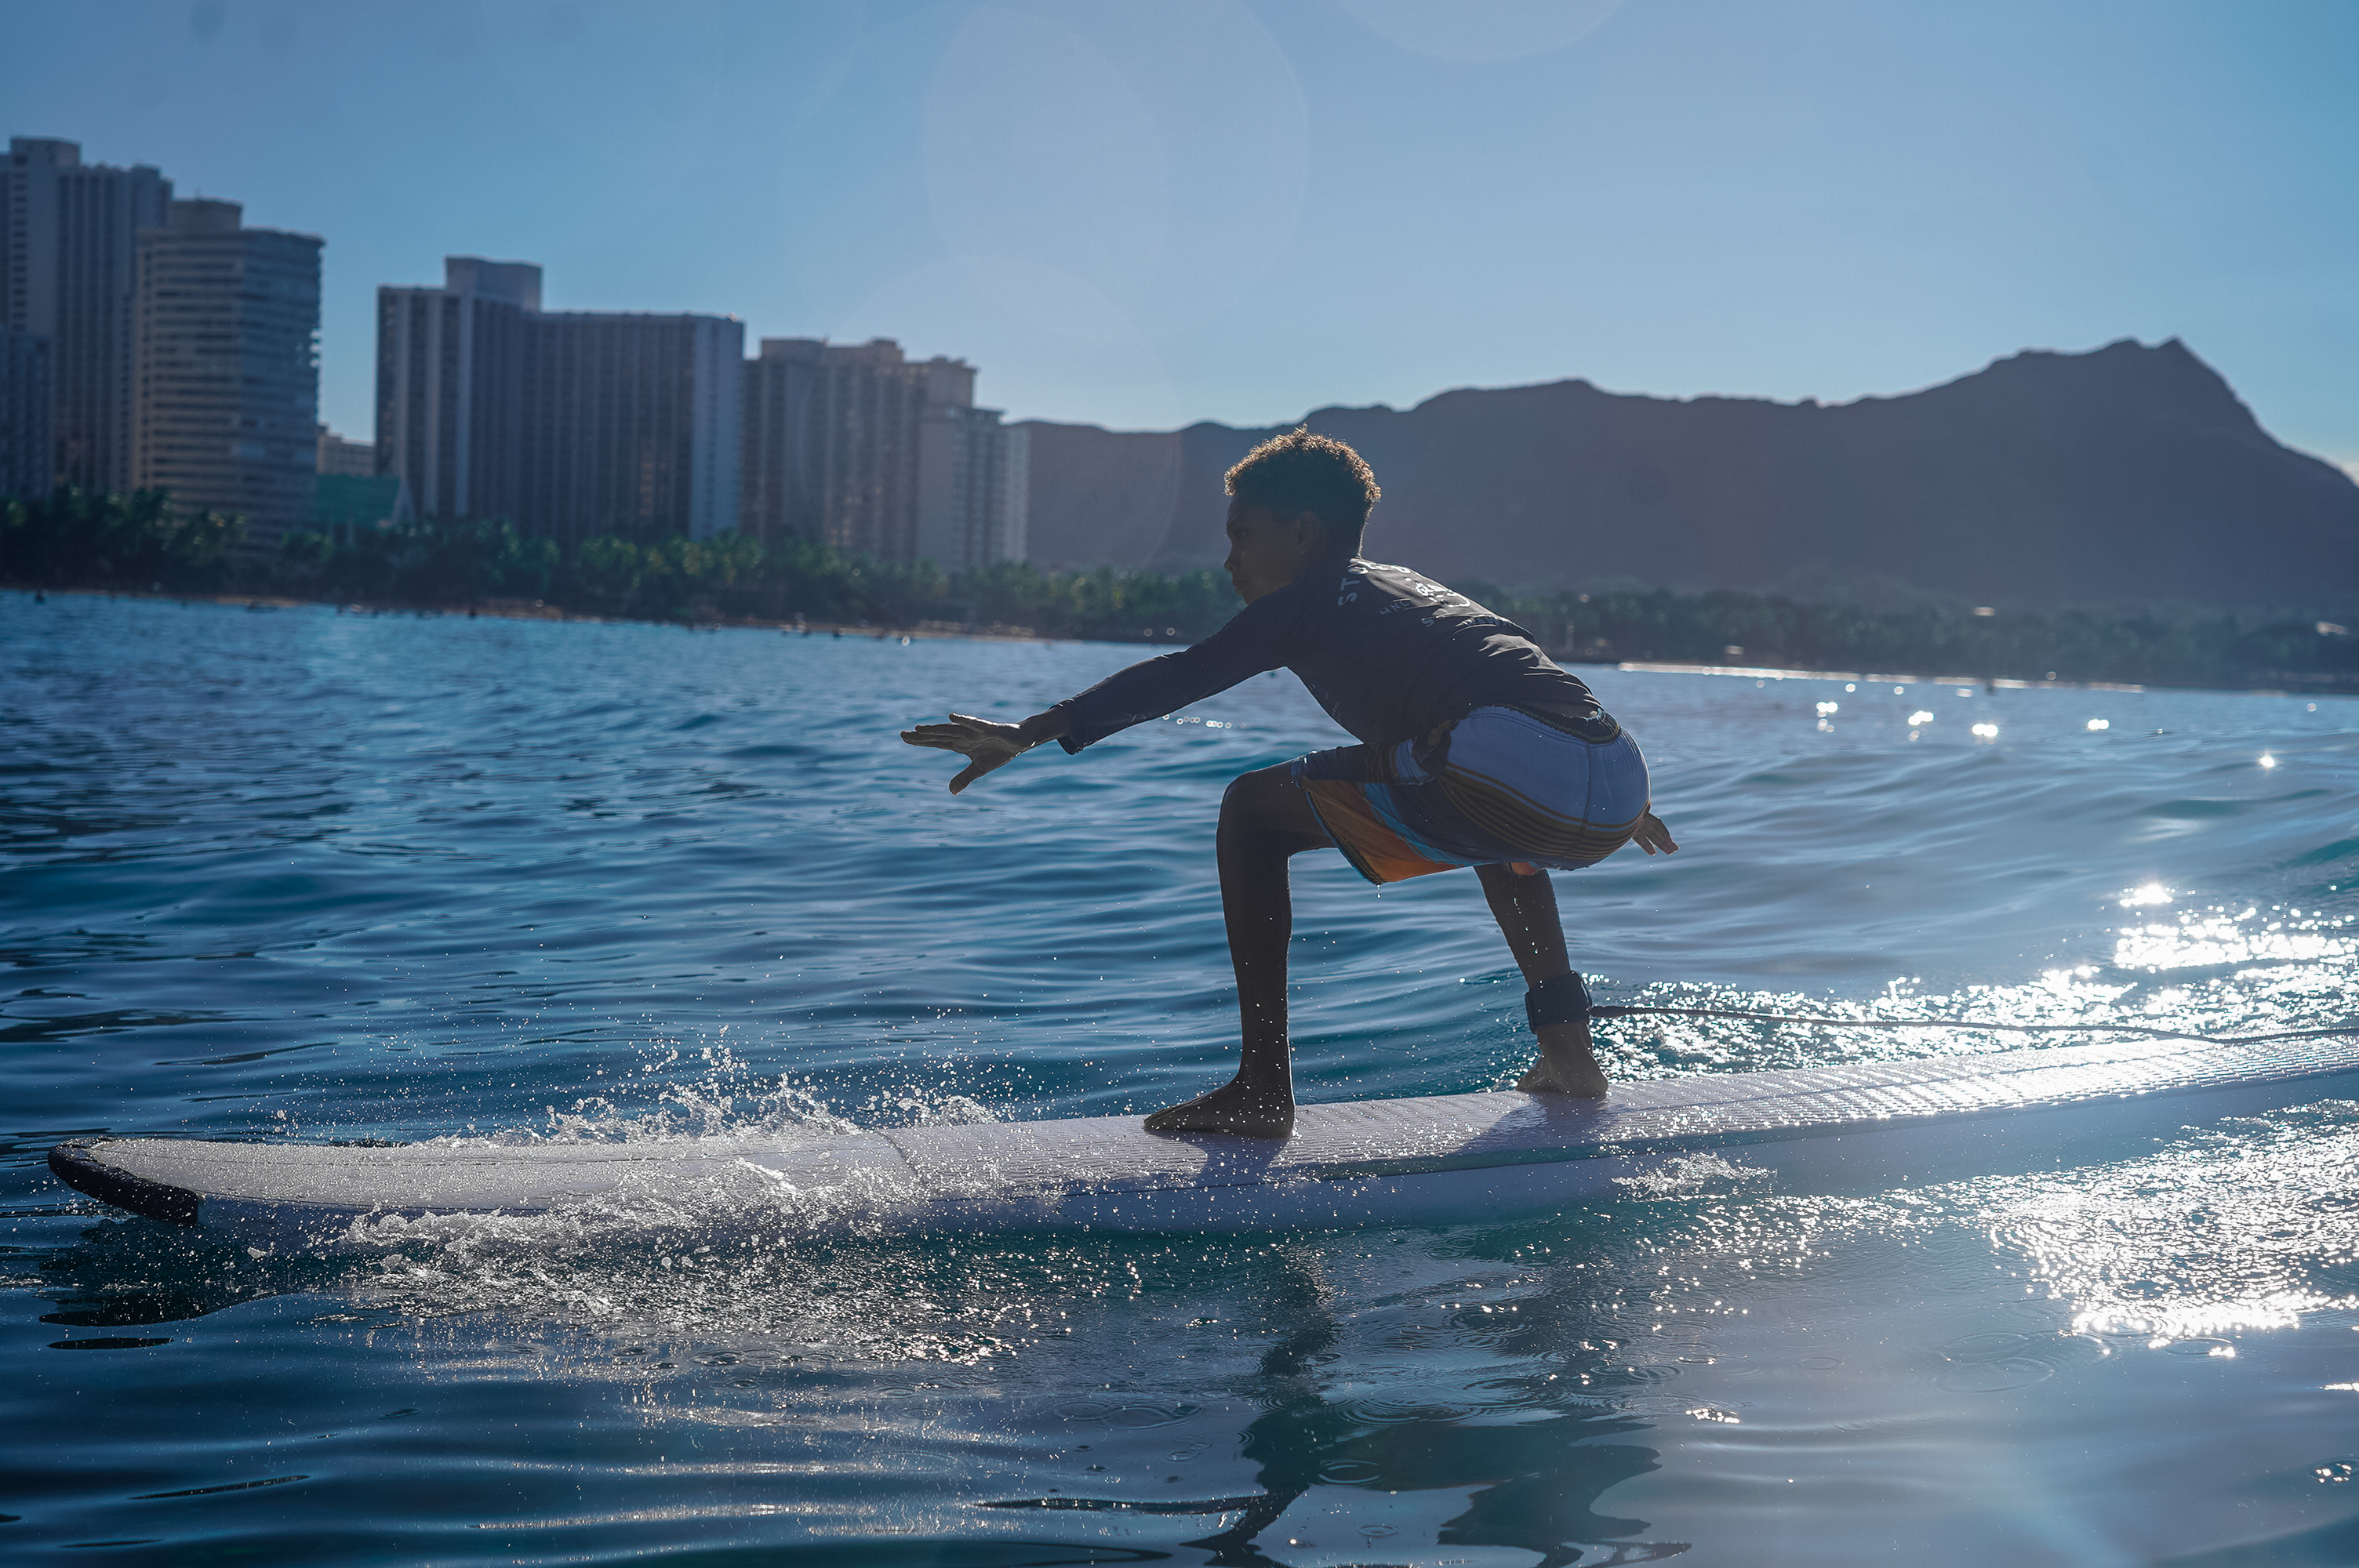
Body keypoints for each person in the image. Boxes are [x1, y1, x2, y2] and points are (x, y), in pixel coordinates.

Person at [902, 430, 1676, 1138]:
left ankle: (1262, 1087)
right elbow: (1530, 685)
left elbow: (1188, 672)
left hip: (1505, 760)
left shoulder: (1313, 594)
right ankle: (1570, 1053)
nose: (1230, 561)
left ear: (1302, 533)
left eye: (1242, 535)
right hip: (1613, 770)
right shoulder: (1414, 588)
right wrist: (1614, 799)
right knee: (1498, 839)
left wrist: (1031, 730)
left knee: (1251, 811)